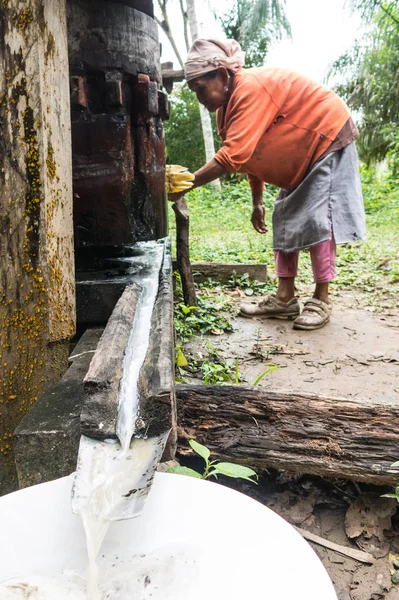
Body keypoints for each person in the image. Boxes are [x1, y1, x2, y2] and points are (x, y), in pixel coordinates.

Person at [168, 38, 366, 330]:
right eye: (194, 90)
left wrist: (190, 182)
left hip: (326, 137)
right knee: (284, 218)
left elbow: (233, 156)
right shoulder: (227, 108)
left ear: (222, 76)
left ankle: (322, 298)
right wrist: (257, 200)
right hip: (299, 159)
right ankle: (285, 299)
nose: (200, 97)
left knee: (318, 220)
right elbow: (251, 154)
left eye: (201, 88)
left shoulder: (249, 88)